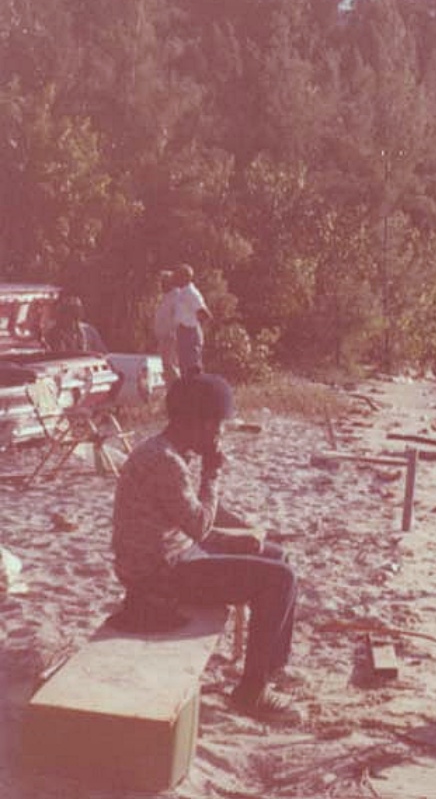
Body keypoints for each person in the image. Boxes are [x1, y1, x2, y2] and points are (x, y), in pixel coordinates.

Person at [110, 373, 299, 722]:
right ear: (199, 422)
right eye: (219, 425)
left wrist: (239, 535)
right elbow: (198, 525)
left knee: (277, 556)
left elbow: (192, 519)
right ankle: (251, 692)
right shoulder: (165, 461)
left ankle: (272, 669)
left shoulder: (168, 451)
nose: (221, 434)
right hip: (158, 575)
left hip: (174, 554)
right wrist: (212, 473)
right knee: (279, 579)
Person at [173, 263, 211, 377]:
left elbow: (204, 314)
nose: (176, 278)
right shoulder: (183, 292)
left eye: (178, 275)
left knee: (193, 368)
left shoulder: (191, 293)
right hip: (183, 332)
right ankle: (188, 393)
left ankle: (198, 393)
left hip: (189, 332)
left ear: (186, 277)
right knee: (184, 367)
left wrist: (195, 329)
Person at [153, 270, 180, 384]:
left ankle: (179, 389)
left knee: (171, 365)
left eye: (164, 281)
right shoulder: (166, 297)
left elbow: (178, 318)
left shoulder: (176, 296)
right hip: (163, 338)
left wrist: (172, 333)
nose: (162, 284)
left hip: (171, 338)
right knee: (165, 366)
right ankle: (172, 392)